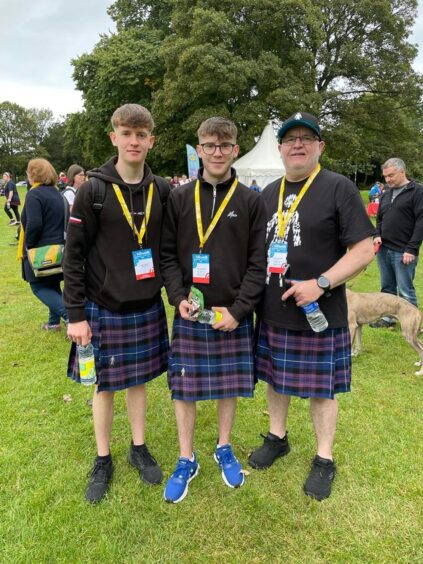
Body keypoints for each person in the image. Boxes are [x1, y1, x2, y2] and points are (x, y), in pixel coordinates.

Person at [248, 111, 374, 500]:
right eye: (290, 139)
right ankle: (277, 437)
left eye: (306, 138)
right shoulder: (268, 194)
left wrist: (321, 284)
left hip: (319, 314)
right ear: (281, 148)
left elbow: (365, 248)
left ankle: (324, 458)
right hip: (272, 310)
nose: (297, 144)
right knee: (274, 380)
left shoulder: (338, 188)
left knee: (322, 391)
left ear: (320, 146)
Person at [63, 104, 170, 503]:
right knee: (104, 386)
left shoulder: (162, 189)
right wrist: (75, 314)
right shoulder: (92, 190)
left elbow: (169, 249)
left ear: (151, 141)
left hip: (145, 305)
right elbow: (73, 256)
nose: (134, 141)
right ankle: (103, 457)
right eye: (127, 133)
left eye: (142, 135)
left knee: (138, 381)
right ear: (114, 137)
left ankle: (138, 447)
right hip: (102, 306)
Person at [160, 116, 267, 503]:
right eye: (209, 145)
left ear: (235, 149)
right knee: (184, 388)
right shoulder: (179, 197)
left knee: (228, 386)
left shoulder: (251, 200)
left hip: (232, 313)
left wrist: (239, 311)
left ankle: (224, 446)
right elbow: (168, 256)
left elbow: (259, 263)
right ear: (199, 149)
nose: (217, 152)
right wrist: (178, 297)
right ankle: (186, 456)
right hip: (191, 310)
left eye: (224, 145)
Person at [370, 158, 423, 328]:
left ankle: (415, 324)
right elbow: (379, 218)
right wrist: (377, 234)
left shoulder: (417, 191)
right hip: (384, 249)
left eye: (391, 175)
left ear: (402, 171)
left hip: (404, 251)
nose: (388, 180)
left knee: (406, 290)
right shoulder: (386, 192)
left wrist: (412, 249)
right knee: (387, 288)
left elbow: (421, 222)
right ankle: (388, 319)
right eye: (385, 176)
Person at [17, 159, 68, 331]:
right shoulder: (56, 193)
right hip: (58, 249)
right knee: (51, 284)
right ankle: (53, 323)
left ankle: (70, 316)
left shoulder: (34, 194)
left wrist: (28, 246)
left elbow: (35, 224)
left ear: (33, 174)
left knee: (38, 286)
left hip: (41, 250)